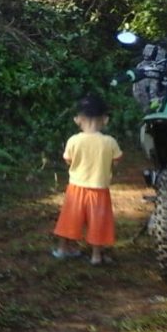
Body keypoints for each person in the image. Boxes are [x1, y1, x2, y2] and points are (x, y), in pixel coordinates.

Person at [53, 94, 123, 266]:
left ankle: (63, 249)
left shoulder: (73, 140)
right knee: (98, 221)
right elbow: (117, 160)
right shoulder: (110, 142)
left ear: (77, 119)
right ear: (105, 119)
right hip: (99, 189)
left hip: (76, 187)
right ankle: (96, 256)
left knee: (70, 218)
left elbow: (68, 159)